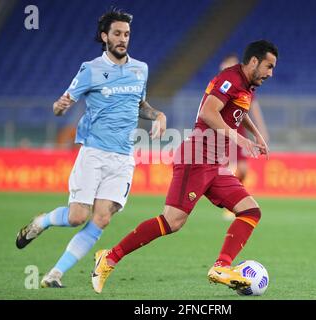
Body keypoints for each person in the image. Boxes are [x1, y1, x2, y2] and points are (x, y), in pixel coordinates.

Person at [91, 40, 278, 294]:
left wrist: (256, 134)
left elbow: (239, 111)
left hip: (214, 164)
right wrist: (239, 138)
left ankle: (221, 266)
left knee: (251, 211)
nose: (271, 73)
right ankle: (110, 257)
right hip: (196, 158)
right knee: (172, 221)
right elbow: (208, 114)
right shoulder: (230, 79)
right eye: (269, 66)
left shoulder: (246, 85)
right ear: (254, 61)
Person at [15, 8, 166, 288]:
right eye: (118, 34)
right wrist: (58, 109)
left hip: (122, 158)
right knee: (77, 217)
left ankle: (54, 274)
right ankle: (43, 221)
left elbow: (140, 105)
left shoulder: (140, 69)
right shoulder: (90, 69)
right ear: (104, 36)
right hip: (93, 153)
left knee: (102, 218)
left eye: (127, 34)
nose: (123, 39)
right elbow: (61, 106)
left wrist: (158, 115)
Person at [219, 54, 269, 220]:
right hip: (226, 131)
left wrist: (260, 131)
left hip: (240, 131)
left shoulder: (245, 87)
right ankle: (231, 204)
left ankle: (233, 201)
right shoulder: (222, 86)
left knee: (243, 170)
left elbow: (253, 109)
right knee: (232, 168)